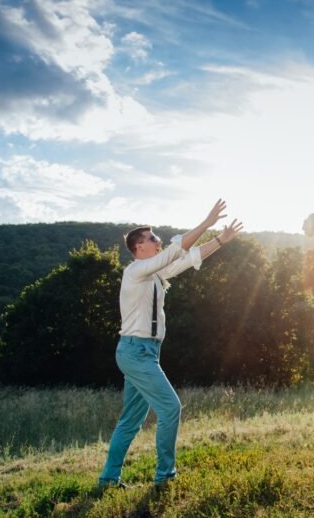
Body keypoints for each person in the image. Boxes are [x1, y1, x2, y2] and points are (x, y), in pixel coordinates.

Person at [98, 199, 244, 488]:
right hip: (135, 351)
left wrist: (220, 240)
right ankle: (165, 477)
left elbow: (187, 259)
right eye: (152, 238)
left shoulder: (153, 274)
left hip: (145, 352)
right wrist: (206, 222)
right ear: (139, 247)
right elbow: (177, 250)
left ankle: (108, 479)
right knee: (170, 409)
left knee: (130, 421)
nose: (158, 240)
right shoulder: (135, 272)